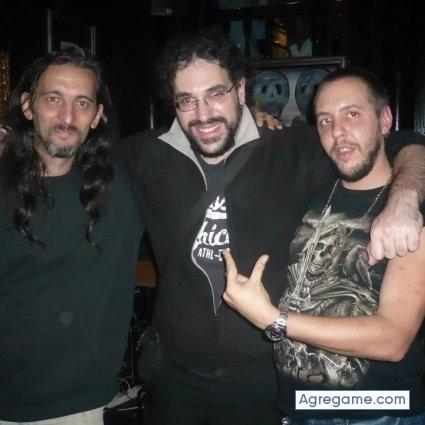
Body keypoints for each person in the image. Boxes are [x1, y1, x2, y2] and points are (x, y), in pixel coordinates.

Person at [117, 31, 425, 425]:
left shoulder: (292, 149)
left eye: (216, 93)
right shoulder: (144, 155)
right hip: (177, 379)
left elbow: (389, 144)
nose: (204, 113)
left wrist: (405, 197)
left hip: (266, 382)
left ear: (240, 90)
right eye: (186, 100)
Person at [222, 67, 425, 424]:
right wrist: (253, 118)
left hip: (376, 414)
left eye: (352, 114)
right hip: (297, 408)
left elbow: (393, 339)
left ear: (385, 120)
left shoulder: (407, 213)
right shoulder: (314, 190)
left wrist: (274, 319)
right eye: (325, 120)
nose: (338, 132)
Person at [0, 47, 143, 424]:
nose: (67, 117)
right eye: (53, 99)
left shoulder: (125, 184)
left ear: (97, 115)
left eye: (82, 103)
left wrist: (252, 124)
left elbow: (201, 138)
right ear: (28, 106)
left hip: (73, 408)